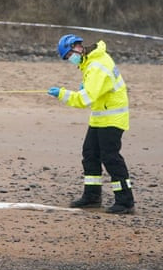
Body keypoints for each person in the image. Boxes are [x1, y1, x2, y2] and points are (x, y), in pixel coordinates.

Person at [47, 34, 134, 214]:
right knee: (90, 153)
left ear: (77, 47)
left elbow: (84, 99)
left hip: (112, 118)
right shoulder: (92, 60)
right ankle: (92, 196)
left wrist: (62, 94)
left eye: (69, 56)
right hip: (100, 116)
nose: (70, 60)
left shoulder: (96, 66)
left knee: (110, 157)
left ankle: (125, 201)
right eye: (67, 58)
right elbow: (94, 90)